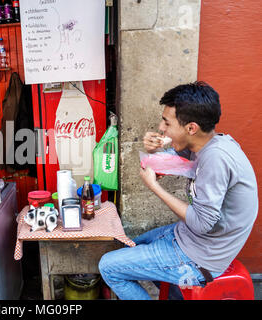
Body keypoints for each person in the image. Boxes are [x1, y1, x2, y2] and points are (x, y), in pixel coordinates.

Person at [98, 81, 258, 300]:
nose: (161, 128)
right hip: (187, 237)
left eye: (166, 122)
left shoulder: (216, 159)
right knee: (132, 244)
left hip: (201, 258)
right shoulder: (208, 145)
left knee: (108, 266)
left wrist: (154, 187)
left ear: (191, 128)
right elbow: (179, 161)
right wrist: (157, 148)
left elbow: (202, 223)